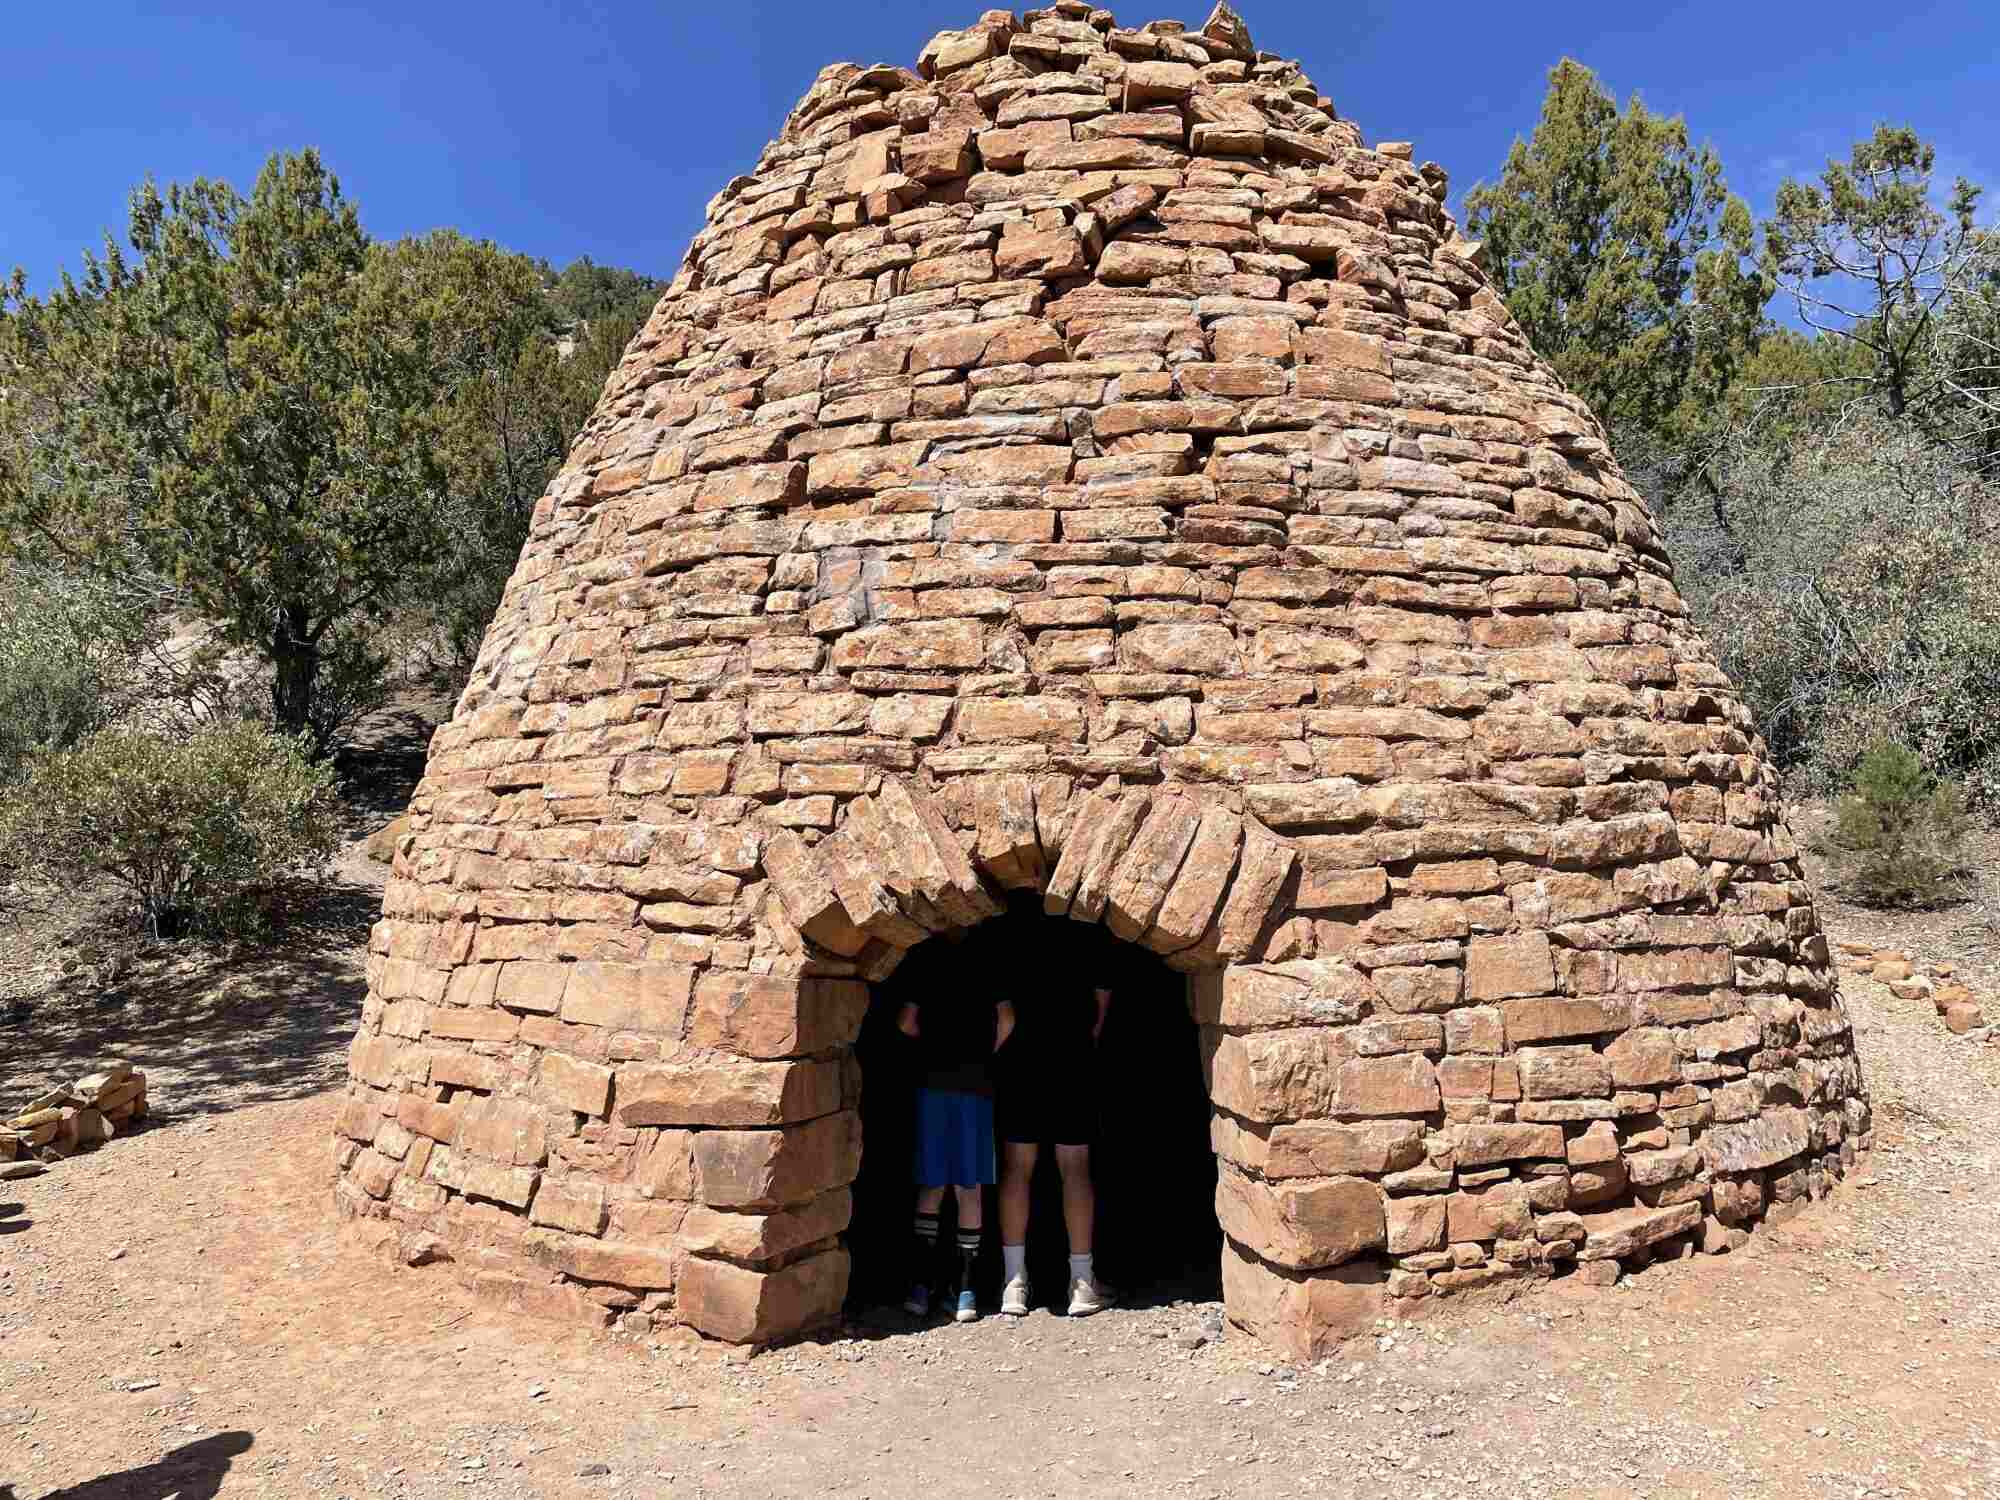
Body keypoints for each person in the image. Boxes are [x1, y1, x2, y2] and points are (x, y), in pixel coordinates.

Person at [996, 967, 1114, 1318]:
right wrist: (1088, 1036)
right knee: (1075, 1167)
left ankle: (1013, 1283)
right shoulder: (1087, 926)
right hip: (1072, 1052)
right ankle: (1081, 1283)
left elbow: (1002, 1007)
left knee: (1017, 1167)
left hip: (1019, 1058)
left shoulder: (1008, 933)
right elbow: (1102, 994)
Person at [899, 985, 1014, 1323]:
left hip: (933, 1083)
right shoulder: (987, 961)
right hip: (975, 1087)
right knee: (969, 1189)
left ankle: (921, 1289)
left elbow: (905, 1022)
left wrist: (933, 1048)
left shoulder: (927, 958)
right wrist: (983, 1054)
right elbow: (1008, 1019)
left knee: (932, 1186)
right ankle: (966, 1293)